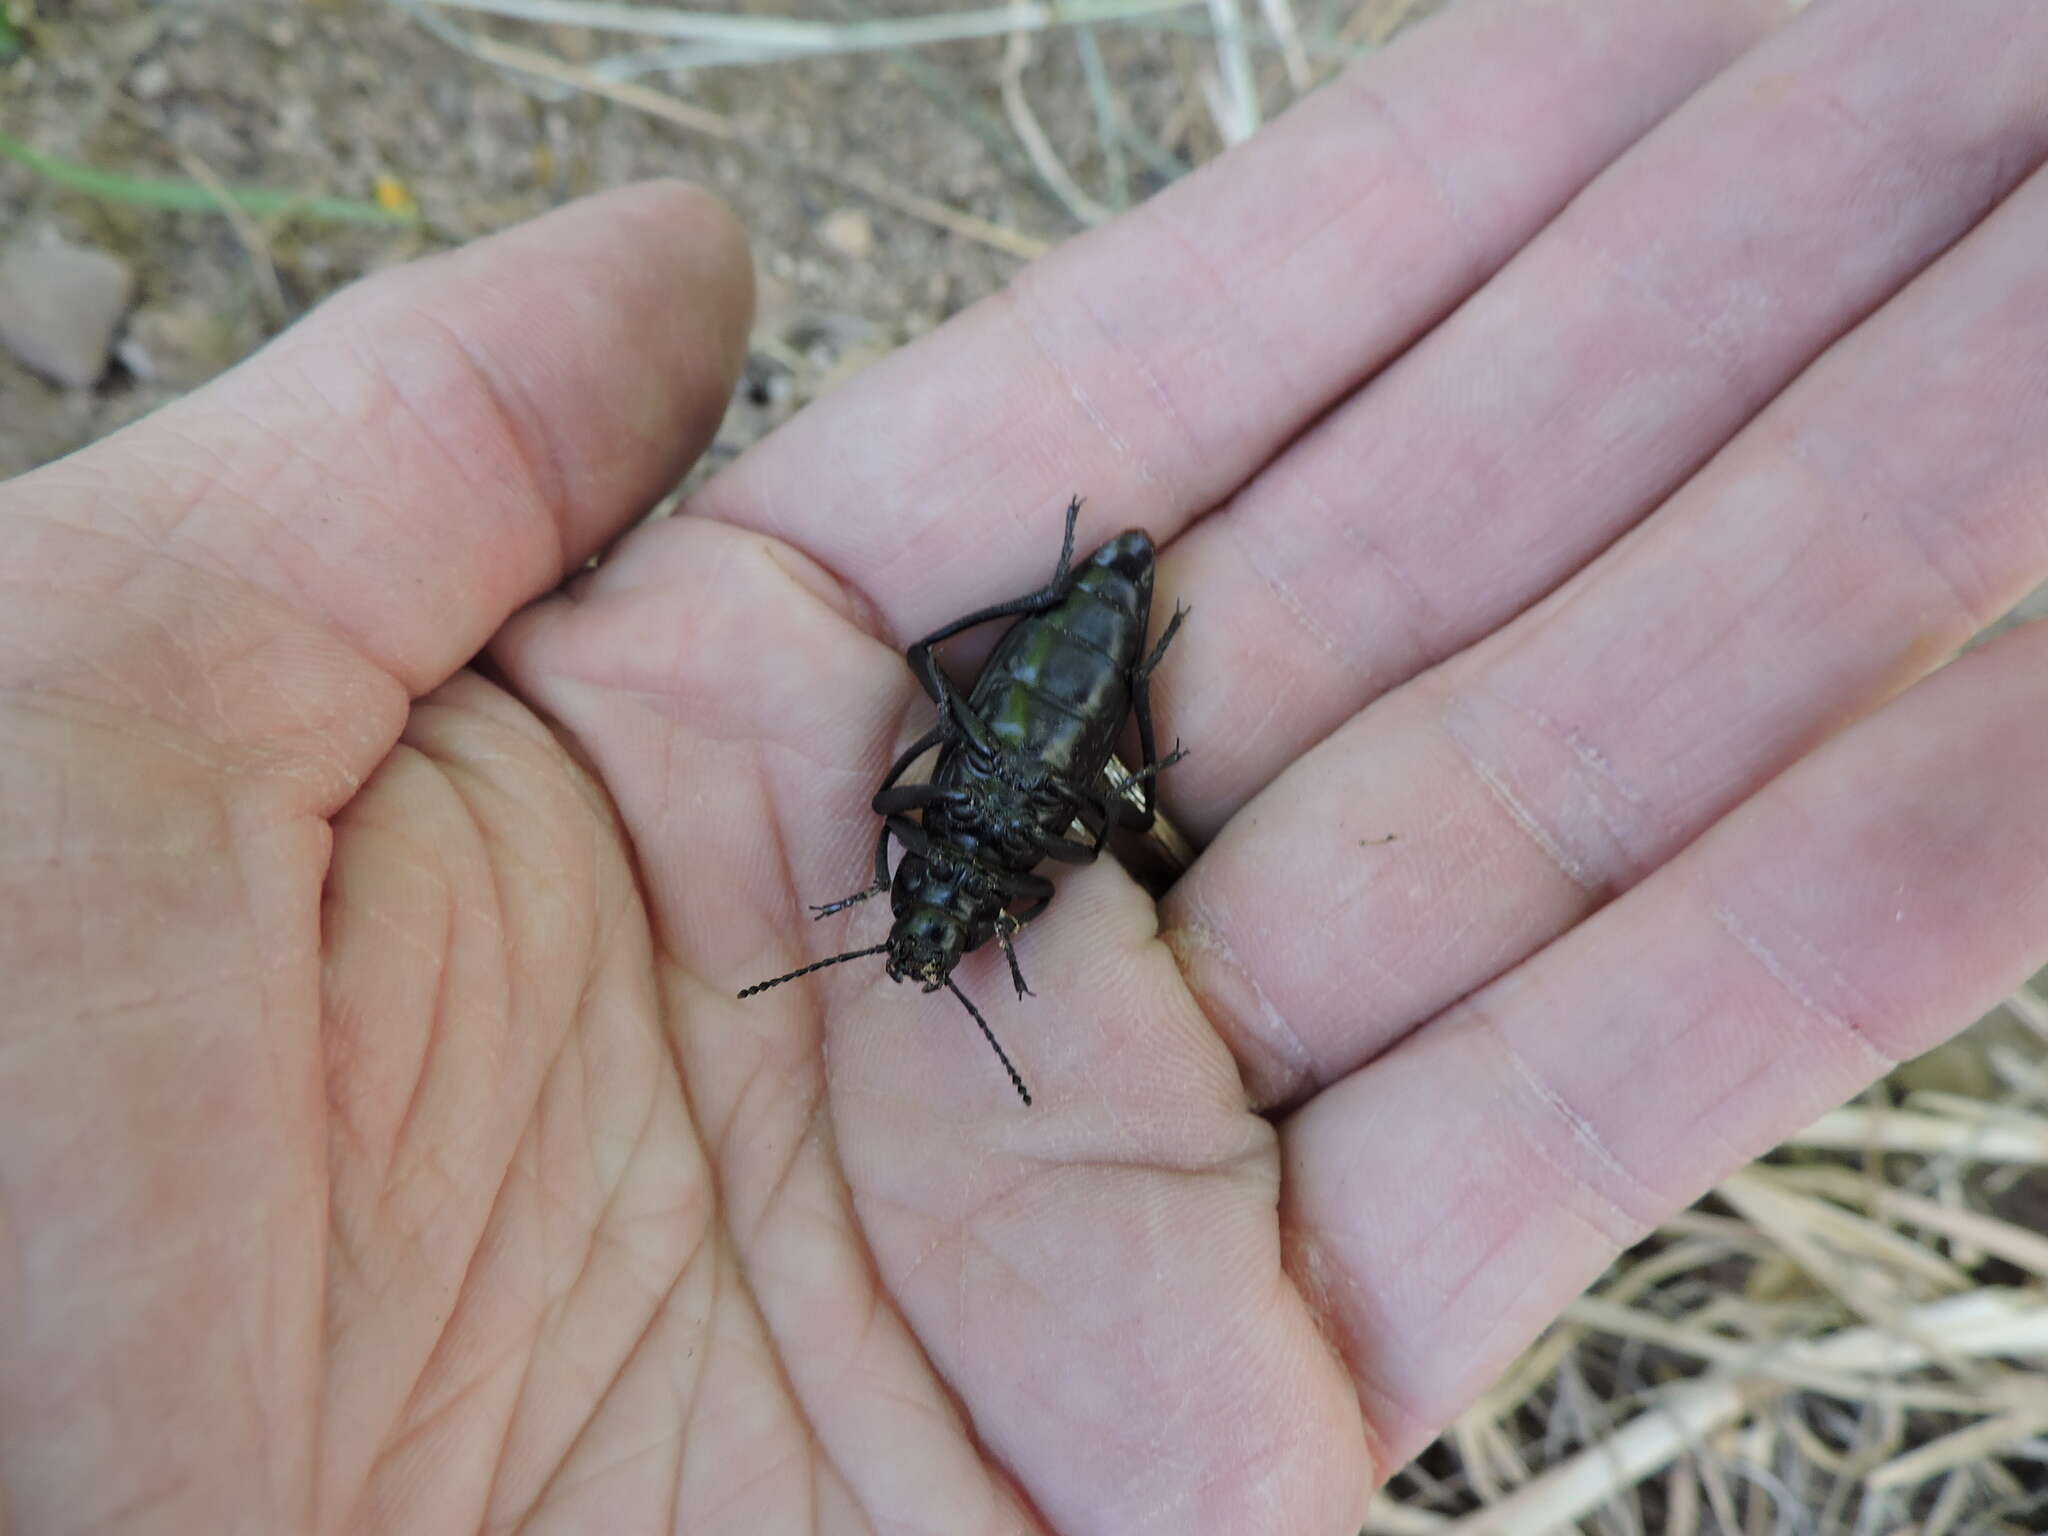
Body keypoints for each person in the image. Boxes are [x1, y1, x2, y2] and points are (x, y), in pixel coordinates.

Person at [3, 0, 2045, 1529]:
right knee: (1027, 774)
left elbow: (999, 829)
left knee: (1022, 768)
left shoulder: (963, 857)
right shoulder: (973, 868)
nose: (921, 939)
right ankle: (1105, 638)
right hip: (1057, 695)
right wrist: (1061, 753)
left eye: (917, 933)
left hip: (1054, 676)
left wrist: (1073, 705)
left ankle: (1104, 628)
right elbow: (1008, 835)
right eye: (919, 935)